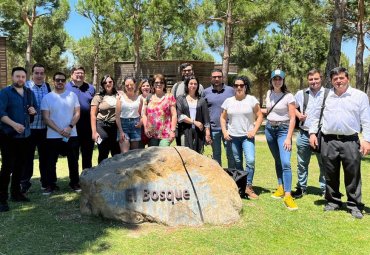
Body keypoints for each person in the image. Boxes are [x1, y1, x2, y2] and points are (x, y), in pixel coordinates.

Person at [309, 67, 370, 219]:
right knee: (330, 173)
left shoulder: (359, 96)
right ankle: (333, 201)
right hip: (328, 140)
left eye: (341, 78)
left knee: (353, 174)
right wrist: (312, 133)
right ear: (331, 81)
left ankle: (354, 205)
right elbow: (316, 116)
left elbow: (366, 120)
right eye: (335, 79)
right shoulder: (325, 96)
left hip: (350, 141)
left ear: (347, 78)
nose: (338, 81)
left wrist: (367, 140)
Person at [220, 76, 263, 199]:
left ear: (245, 87)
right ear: (233, 87)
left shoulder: (251, 100)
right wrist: (225, 132)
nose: (239, 87)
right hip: (233, 137)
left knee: (250, 160)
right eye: (236, 85)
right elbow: (222, 118)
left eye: (241, 85)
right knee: (238, 162)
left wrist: (254, 130)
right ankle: (242, 187)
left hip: (247, 137)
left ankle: (248, 186)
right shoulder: (228, 101)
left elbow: (260, 116)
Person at [0, 67, 36, 212]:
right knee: (7, 167)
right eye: (17, 76)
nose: (20, 79)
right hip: (8, 135)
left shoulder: (29, 93)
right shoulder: (5, 93)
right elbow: (0, 113)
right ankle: (2, 199)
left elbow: (32, 113)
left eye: (22, 77)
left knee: (20, 166)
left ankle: (16, 193)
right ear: (12, 77)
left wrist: (33, 112)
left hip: (25, 136)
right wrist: (14, 125)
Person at [41, 72, 81, 195]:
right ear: (53, 81)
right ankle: (50, 185)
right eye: (57, 80)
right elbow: (46, 118)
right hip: (53, 135)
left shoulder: (72, 95)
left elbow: (77, 113)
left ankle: (74, 183)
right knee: (51, 162)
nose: (60, 82)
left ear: (65, 81)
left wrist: (69, 128)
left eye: (62, 80)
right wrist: (59, 131)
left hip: (71, 134)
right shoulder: (47, 97)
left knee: (73, 161)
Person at [263, 69, 298, 210]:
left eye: (280, 79)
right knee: (277, 160)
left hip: (283, 130)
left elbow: (292, 117)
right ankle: (280, 187)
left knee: (285, 162)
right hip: (269, 130)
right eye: (275, 79)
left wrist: (289, 138)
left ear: (283, 80)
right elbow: (267, 111)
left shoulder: (289, 96)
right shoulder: (268, 93)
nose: (277, 81)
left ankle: (288, 195)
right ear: (271, 80)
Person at [291, 69, 326, 198]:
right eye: (311, 79)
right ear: (308, 80)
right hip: (304, 134)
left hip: (322, 135)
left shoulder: (328, 94)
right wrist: (299, 114)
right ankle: (301, 188)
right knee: (302, 163)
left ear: (321, 78)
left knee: (323, 163)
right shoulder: (301, 93)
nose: (313, 82)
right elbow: (292, 107)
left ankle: (325, 190)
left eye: (316, 79)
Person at [20, 63, 51, 193]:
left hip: (44, 128)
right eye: (36, 73)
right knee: (27, 158)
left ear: (44, 74)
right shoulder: (25, 86)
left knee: (45, 158)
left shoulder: (48, 86)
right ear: (32, 74)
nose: (39, 75)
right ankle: (24, 184)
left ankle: (45, 183)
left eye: (41, 73)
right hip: (29, 128)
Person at [203, 68, 235, 168]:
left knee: (231, 155)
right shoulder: (205, 92)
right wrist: (206, 130)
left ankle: (232, 177)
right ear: (210, 78)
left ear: (222, 78)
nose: (217, 79)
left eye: (219, 77)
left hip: (229, 128)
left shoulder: (231, 91)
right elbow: (203, 111)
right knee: (216, 155)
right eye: (214, 77)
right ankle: (219, 179)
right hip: (213, 129)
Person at [66, 66, 95, 169]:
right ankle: (74, 181)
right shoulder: (66, 87)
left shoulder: (91, 88)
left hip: (87, 128)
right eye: (77, 73)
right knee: (73, 156)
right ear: (71, 75)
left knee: (87, 156)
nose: (79, 75)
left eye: (82, 73)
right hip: (72, 128)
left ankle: (86, 179)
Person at [172, 63, 205, 146]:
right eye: (184, 71)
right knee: (181, 149)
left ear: (192, 71)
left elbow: (202, 105)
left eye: (189, 70)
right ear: (182, 72)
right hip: (180, 124)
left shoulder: (200, 87)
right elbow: (172, 105)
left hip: (196, 124)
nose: (187, 72)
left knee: (196, 149)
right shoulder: (176, 86)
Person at [176, 76, 210, 153]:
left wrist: (207, 133)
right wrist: (194, 122)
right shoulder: (181, 99)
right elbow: (180, 116)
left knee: (198, 154)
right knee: (185, 154)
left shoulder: (202, 100)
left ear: (198, 86)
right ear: (187, 85)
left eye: (195, 84)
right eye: (191, 83)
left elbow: (206, 118)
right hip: (185, 131)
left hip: (199, 132)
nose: (193, 86)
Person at [90, 75, 120, 163]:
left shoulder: (118, 95)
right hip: (102, 126)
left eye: (110, 82)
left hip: (115, 126)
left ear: (113, 82)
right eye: (105, 82)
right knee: (103, 152)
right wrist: (94, 132)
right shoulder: (98, 97)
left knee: (116, 152)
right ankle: (101, 174)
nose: (108, 84)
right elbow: (93, 115)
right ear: (102, 84)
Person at [142, 74, 177, 146]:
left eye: (161, 82)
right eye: (156, 82)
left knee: (162, 154)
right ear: (153, 84)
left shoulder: (169, 97)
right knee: (153, 156)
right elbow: (144, 114)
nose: (159, 84)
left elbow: (174, 115)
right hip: (151, 134)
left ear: (164, 84)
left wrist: (173, 130)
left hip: (166, 133)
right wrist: (145, 128)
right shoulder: (149, 97)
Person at [116, 77, 142, 152]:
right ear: (124, 86)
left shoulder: (139, 98)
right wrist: (121, 131)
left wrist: (141, 121)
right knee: (125, 153)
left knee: (134, 153)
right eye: (127, 85)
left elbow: (142, 114)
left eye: (131, 84)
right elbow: (117, 116)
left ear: (135, 84)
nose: (129, 87)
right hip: (123, 125)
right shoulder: (120, 98)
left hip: (135, 126)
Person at [138, 78, 151, 148]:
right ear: (140, 88)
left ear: (150, 87)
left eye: (147, 86)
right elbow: (137, 113)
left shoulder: (154, 97)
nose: (145, 87)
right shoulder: (137, 98)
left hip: (152, 127)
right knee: (140, 150)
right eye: (143, 86)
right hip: (140, 127)